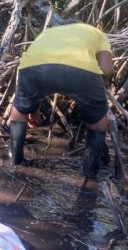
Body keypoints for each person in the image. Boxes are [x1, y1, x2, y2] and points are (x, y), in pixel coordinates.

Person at [7, 21, 113, 179]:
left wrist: (32, 110)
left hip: (32, 68)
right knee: (99, 123)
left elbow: (44, 69)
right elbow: (107, 70)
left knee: (19, 111)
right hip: (81, 72)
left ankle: (14, 163)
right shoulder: (98, 34)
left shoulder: (48, 32)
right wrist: (99, 88)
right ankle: (90, 174)